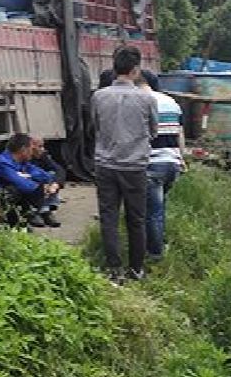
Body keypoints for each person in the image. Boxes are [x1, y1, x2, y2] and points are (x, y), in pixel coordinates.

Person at [91, 46, 157, 285]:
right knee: (136, 219)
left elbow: (95, 127)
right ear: (136, 70)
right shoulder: (147, 98)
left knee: (109, 217)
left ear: (114, 67)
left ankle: (113, 270)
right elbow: (153, 131)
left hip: (106, 164)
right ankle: (136, 269)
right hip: (134, 166)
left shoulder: (98, 96)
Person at [135, 72, 186, 263]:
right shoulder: (172, 102)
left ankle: (155, 255)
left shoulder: (141, 101)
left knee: (152, 212)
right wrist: (181, 159)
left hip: (152, 164)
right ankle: (159, 244)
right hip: (172, 163)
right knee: (159, 208)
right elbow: (180, 134)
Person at [0, 133, 62, 228]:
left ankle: (40, 212)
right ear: (23, 149)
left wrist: (52, 184)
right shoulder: (1, 163)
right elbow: (25, 186)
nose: (33, 152)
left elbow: (46, 176)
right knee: (14, 190)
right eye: (31, 149)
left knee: (45, 180)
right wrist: (44, 187)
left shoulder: (23, 162)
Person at [30, 136, 65, 226]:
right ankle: (34, 211)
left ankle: (46, 211)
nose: (43, 149)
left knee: (52, 174)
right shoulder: (22, 158)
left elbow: (59, 170)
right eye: (40, 146)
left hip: (41, 187)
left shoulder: (43, 156)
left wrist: (56, 184)